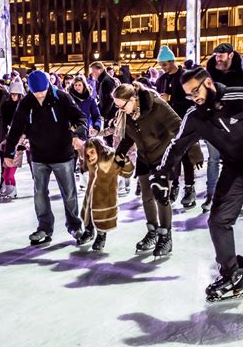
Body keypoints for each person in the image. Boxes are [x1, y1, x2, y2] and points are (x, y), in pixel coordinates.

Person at [151, 67, 243, 301]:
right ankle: (231, 276)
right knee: (218, 221)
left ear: (208, 83)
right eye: (188, 94)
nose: (193, 97)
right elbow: (177, 146)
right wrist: (161, 175)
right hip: (236, 169)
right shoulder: (196, 116)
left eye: (195, 91)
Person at [113, 82, 202, 257]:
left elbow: (180, 127)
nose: (120, 110)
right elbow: (128, 136)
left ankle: (165, 236)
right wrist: (120, 153)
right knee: (146, 195)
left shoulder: (157, 106)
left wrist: (194, 152)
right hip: (144, 157)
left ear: (133, 99)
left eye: (121, 105)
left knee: (161, 195)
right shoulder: (128, 113)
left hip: (164, 156)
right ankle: (152, 231)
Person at [4, 70, 87, 246]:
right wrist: (8, 153)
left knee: (69, 193)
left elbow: (80, 118)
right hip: (39, 155)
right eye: (36, 93)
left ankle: (74, 226)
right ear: (30, 90)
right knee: (39, 194)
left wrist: (78, 134)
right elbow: (16, 129)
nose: (40, 95)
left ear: (48, 86)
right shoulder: (26, 103)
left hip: (63, 155)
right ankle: (44, 227)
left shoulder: (62, 98)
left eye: (43, 91)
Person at [205, 43, 243, 214]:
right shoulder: (210, 74)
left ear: (231, 55)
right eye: (216, 55)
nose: (217, 58)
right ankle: (211, 196)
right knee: (213, 161)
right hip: (215, 125)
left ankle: (242, 199)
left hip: (237, 127)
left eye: (221, 55)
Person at [155, 46, 202, 208]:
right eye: (161, 65)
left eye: (165, 64)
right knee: (172, 156)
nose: (162, 67)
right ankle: (174, 185)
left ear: (172, 61)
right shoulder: (161, 80)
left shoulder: (184, 77)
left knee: (187, 156)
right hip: (168, 124)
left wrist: (172, 98)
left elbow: (193, 99)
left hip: (185, 121)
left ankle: (189, 188)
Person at [78, 137, 134, 251]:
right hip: (91, 194)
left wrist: (125, 161)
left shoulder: (111, 158)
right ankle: (89, 232)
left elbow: (128, 173)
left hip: (105, 196)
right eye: (88, 154)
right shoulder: (90, 161)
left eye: (92, 152)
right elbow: (85, 168)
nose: (90, 156)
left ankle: (101, 236)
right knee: (88, 214)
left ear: (99, 149)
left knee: (102, 218)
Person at [0, 77, 27, 198]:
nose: (14, 97)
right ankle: (10, 189)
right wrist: (4, 138)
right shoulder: (6, 106)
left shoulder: (25, 105)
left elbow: (27, 123)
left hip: (20, 140)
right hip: (10, 138)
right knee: (6, 172)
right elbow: (4, 122)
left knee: (11, 171)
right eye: (12, 94)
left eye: (17, 94)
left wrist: (25, 137)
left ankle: (11, 190)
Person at [89, 61, 117, 146]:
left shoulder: (107, 81)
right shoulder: (103, 80)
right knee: (107, 138)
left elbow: (110, 99)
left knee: (109, 138)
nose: (92, 75)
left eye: (93, 72)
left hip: (110, 114)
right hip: (108, 113)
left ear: (100, 70)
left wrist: (103, 114)